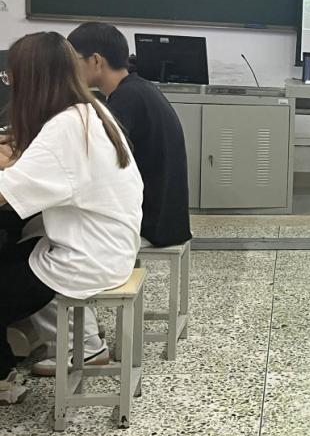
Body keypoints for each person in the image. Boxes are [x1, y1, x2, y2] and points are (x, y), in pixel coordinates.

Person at [29, 22, 192, 377]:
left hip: (152, 223)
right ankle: (79, 331)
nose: (68, 69)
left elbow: (92, 159)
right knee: (55, 225)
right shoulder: (138, 89)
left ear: (96, 61)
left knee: (46, 236)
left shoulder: (125, 100)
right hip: (164, 213)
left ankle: (84, 342)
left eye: (73, 60)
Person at [0, 32, 143, 405]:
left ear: (31, 80)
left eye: (11, 77)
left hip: (86, 259)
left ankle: (4, 377)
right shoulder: (89, 110)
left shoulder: (65, 128)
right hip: (105, 246)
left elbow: (6, 192)